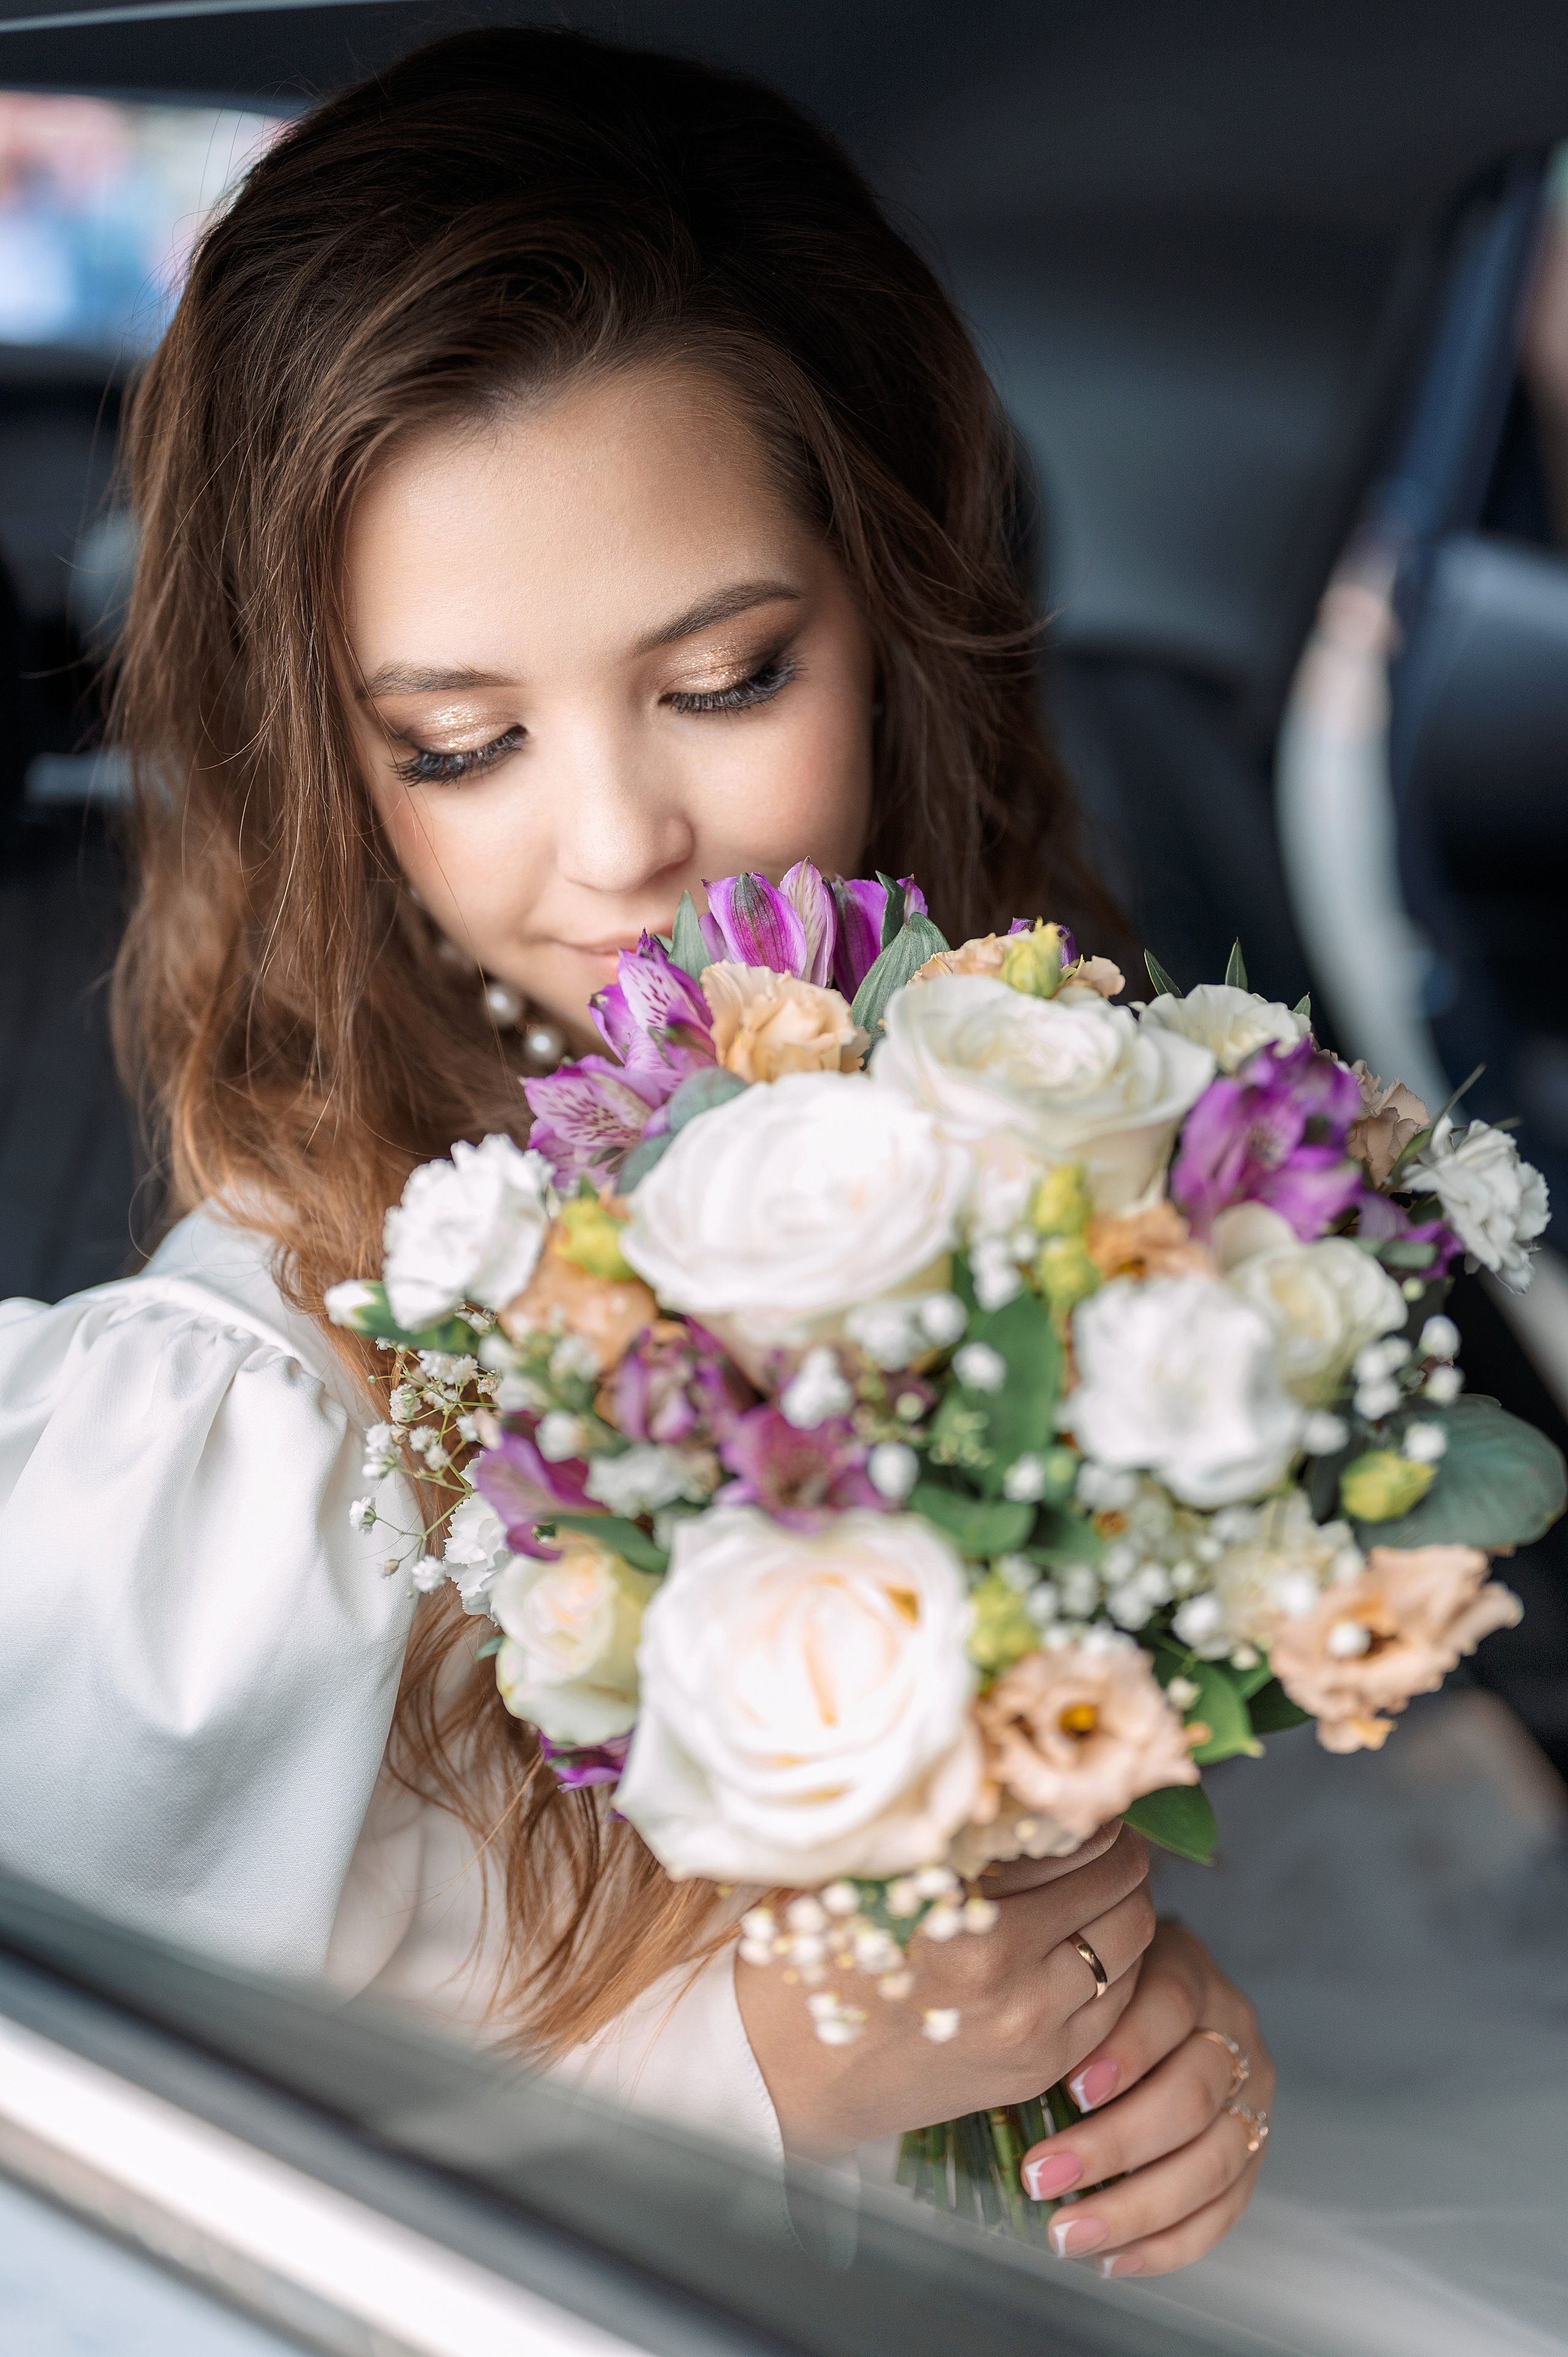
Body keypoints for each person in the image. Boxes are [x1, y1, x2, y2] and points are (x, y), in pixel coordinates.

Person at [0, 26, 1271, 2277]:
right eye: (463, 741)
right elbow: (81, 2256)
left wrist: (1126, 2044)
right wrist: (768, 2089)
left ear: (891, 623)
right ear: (328, 769)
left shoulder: (1044, 1189)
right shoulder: (223, 1439)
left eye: (721, 683)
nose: (621, 849)